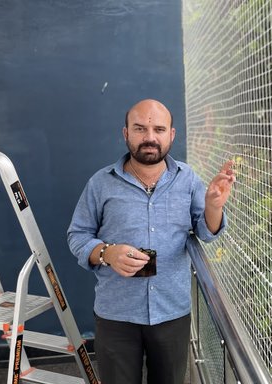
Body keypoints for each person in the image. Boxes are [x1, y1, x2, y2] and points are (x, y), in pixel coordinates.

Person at [67, 99, 235, 384]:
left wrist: (213, 206)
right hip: (116, 315)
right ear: (126, 134)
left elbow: (205, 233)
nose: (149, 138)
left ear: (171, 135)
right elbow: (77, 235)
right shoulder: (100, 183)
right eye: (140, 129)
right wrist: (107, 252)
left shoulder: (188, 180)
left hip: (172, 312)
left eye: (159, 129)